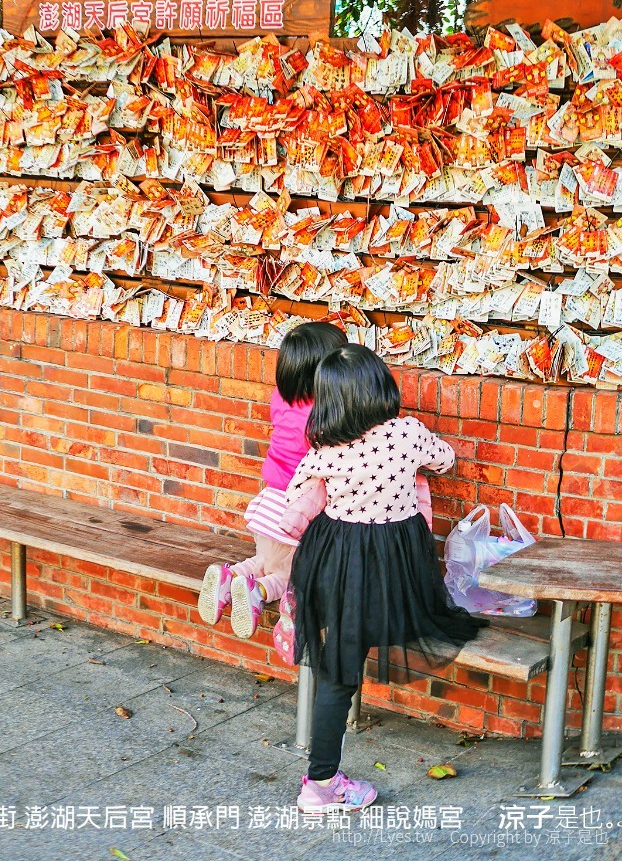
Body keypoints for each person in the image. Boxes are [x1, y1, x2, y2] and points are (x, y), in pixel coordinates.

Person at [283, 343, 486, 814]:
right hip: (394, 564)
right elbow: (445, 459)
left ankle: (322, 775)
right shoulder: (407, 433)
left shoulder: (324, 451)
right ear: (380, 387)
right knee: (381, 636)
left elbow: (298, 497)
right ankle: (319, 786)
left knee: (338, 667)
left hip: (335, 560)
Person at [197, 321, 347, 639]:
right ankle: (259, 592)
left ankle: (230, 576)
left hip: (269, 502)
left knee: (264, 558)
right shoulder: (325, 416)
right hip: (300, 511)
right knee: (289, 574)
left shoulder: (279, 398)